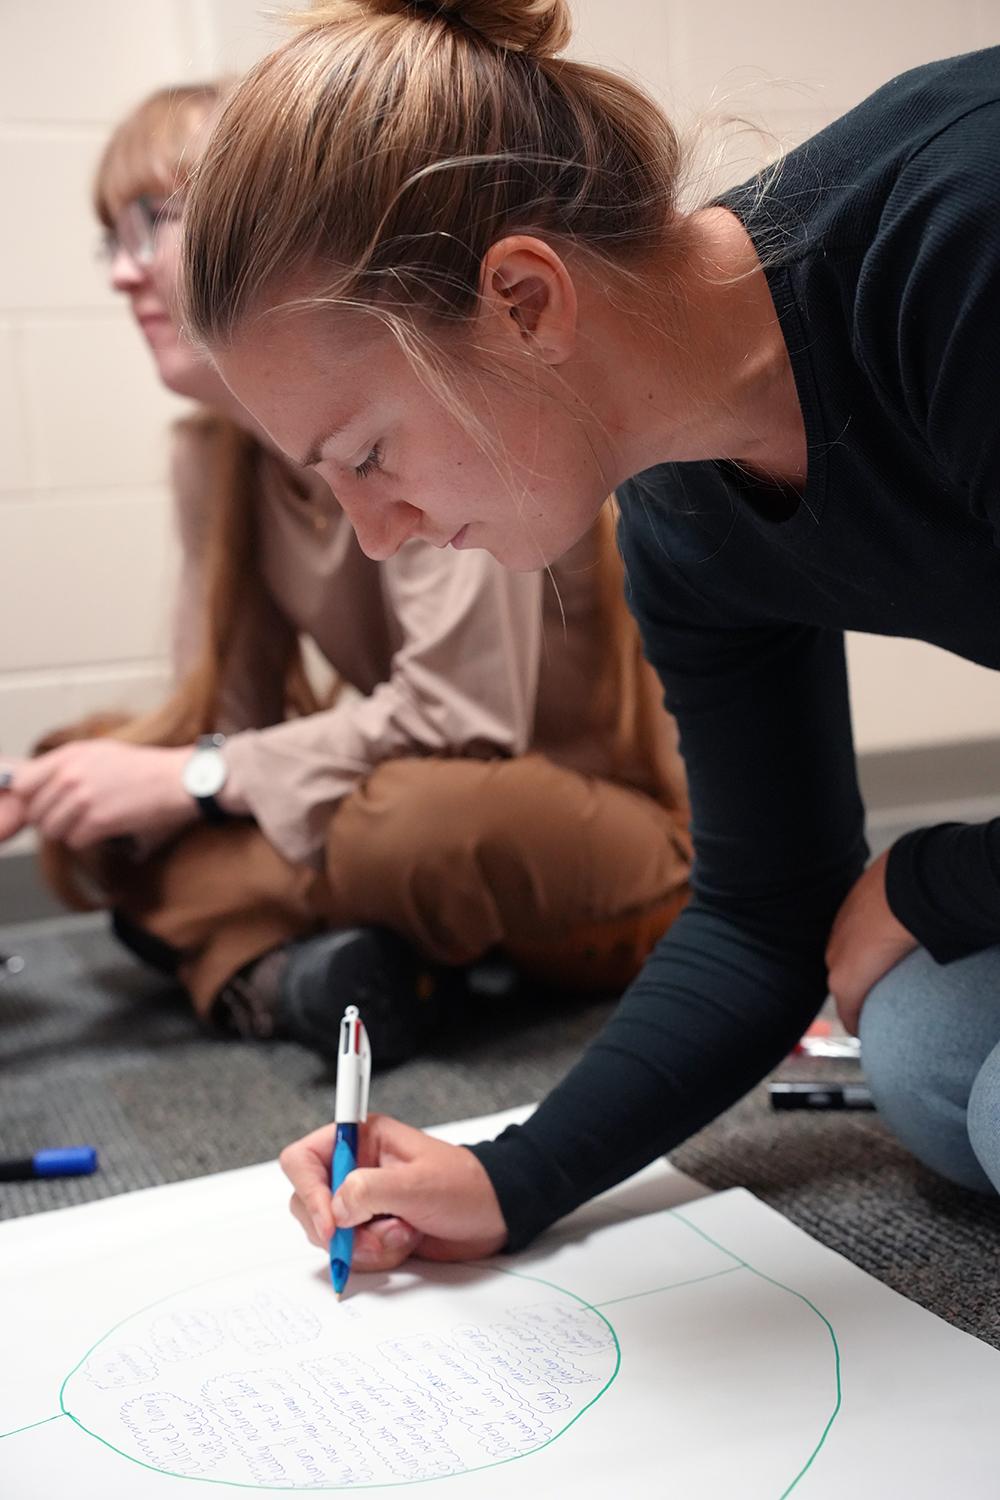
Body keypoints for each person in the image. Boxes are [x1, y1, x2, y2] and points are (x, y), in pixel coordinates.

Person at [179, 2, 1000, 1270]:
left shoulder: (958, 243)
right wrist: (513, 1179)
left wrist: (924, 877)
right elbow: (764, 911)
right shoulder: (678, 510)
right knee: (927, 1048)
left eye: (371, 454)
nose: (378, 534)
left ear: (520, 300)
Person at [0, 80, 692, 1065]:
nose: (123, 272)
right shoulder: (216, 458)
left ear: (258, 227)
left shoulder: (421, 404)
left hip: (559, 825)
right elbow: (229, 717)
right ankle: (347, 970)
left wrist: (192, 779)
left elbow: (463, 721)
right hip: (403, 800)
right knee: (101, 790)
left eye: (152, 221)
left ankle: (269, 967)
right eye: (109, 237)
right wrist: (55, 785)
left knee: (400, 826)